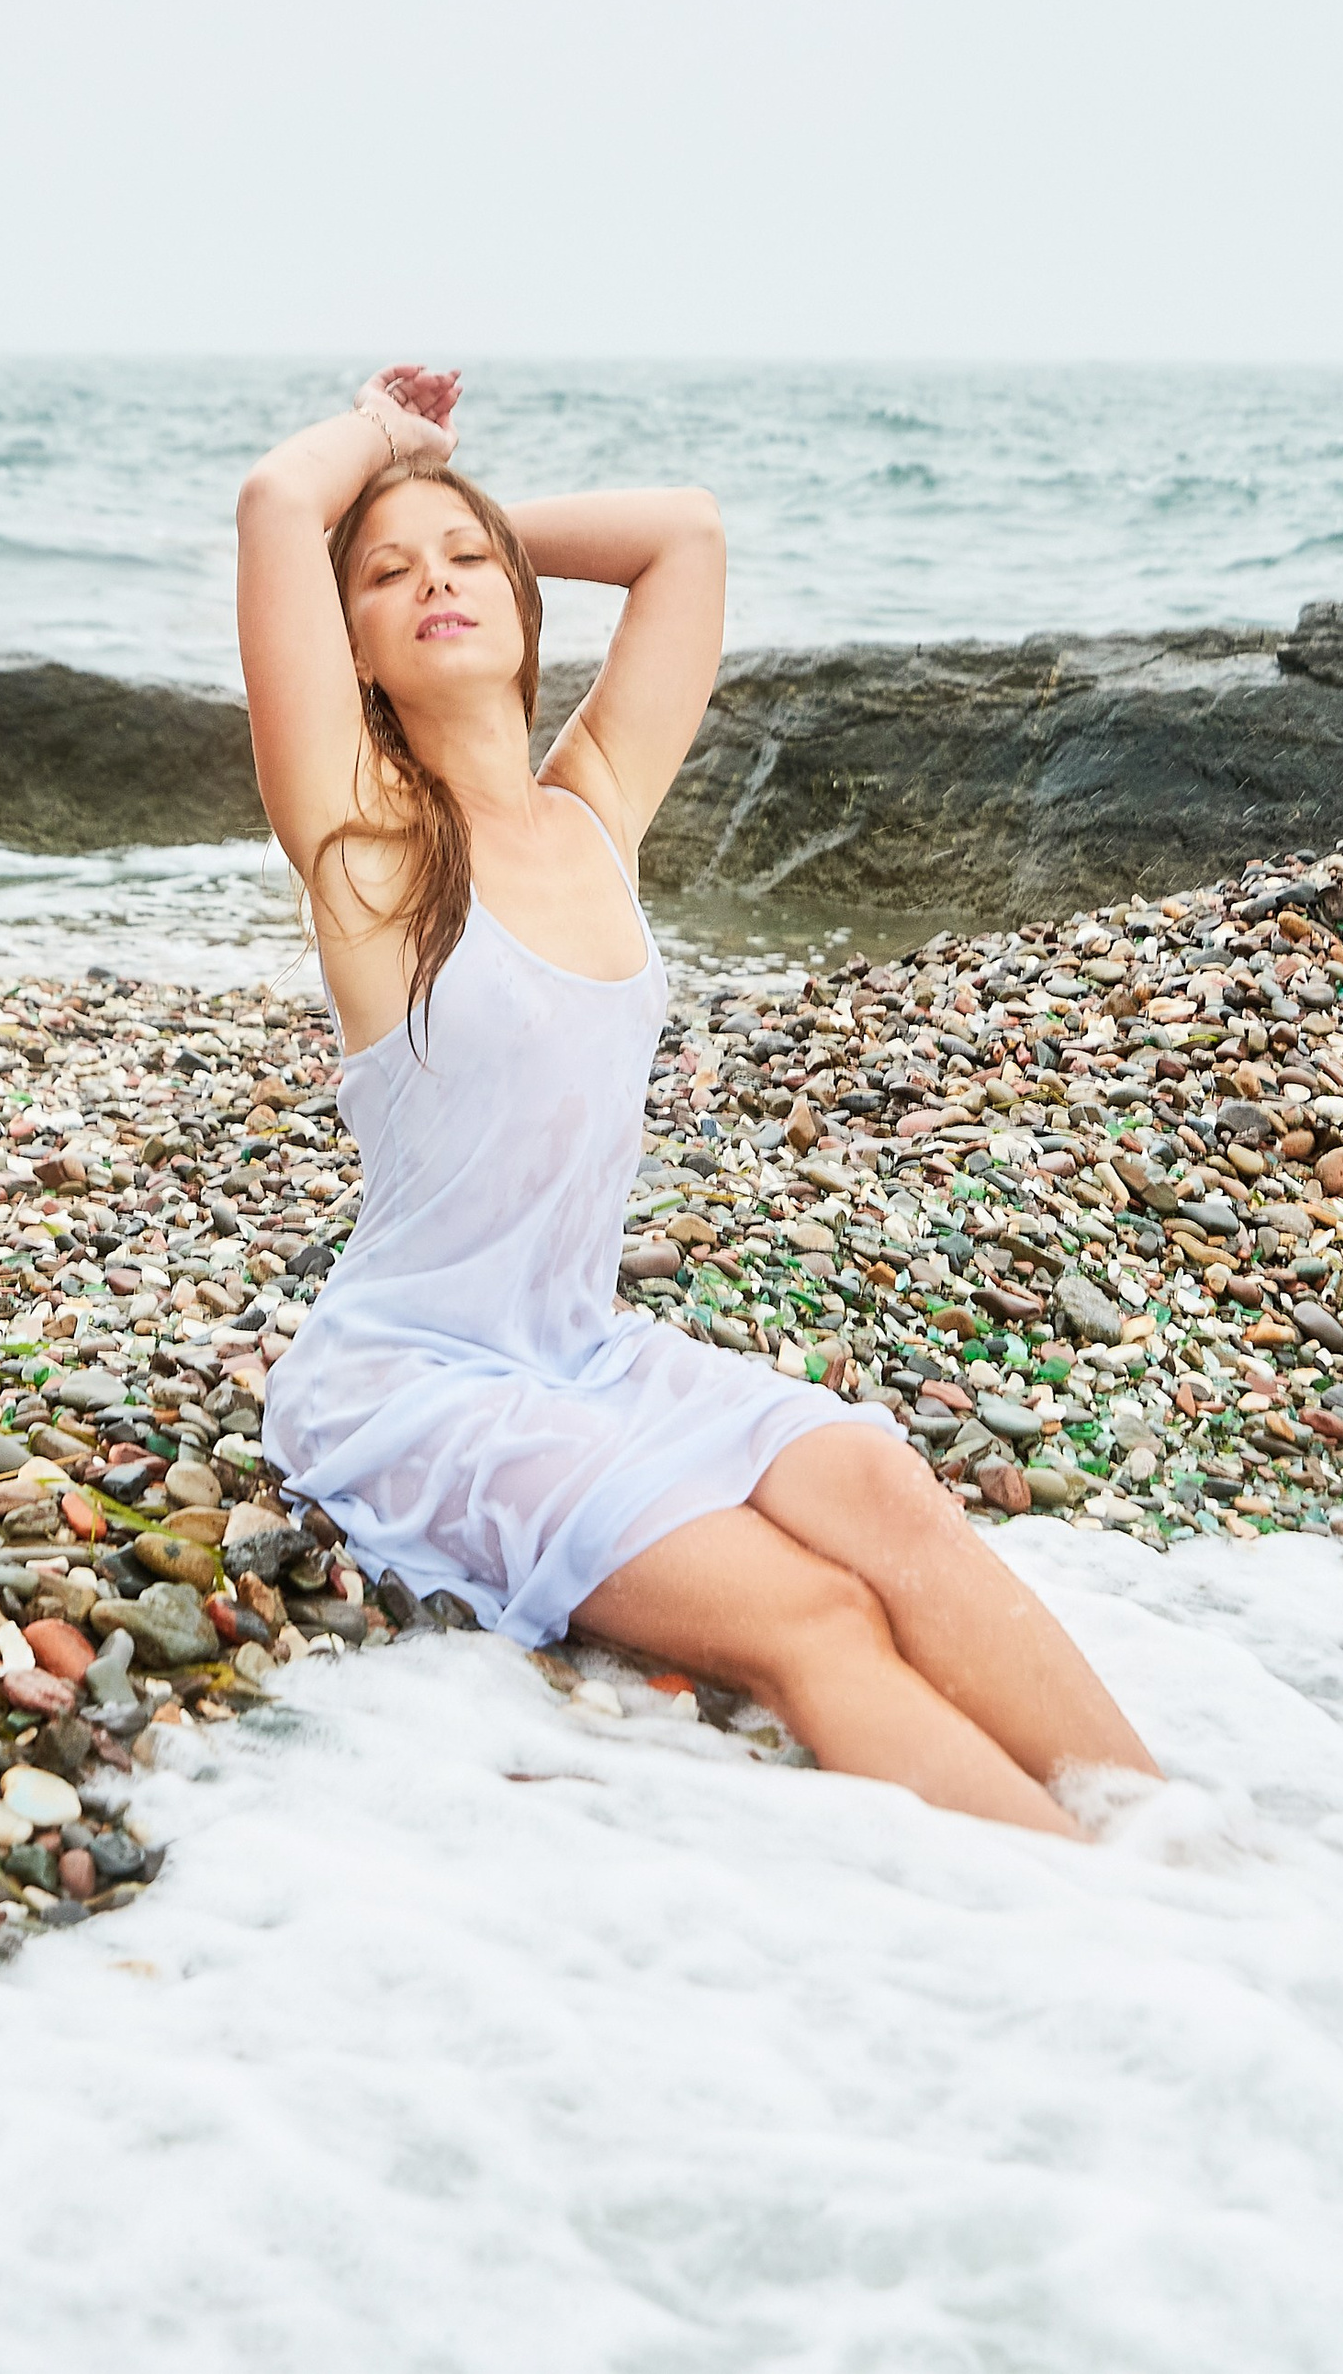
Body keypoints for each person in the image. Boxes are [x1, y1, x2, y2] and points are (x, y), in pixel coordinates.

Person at [236, 366, 1160, 1837]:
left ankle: (1175, 1838)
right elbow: (280, 504)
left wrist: (463, 516)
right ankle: (1120, 1921)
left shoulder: (594, 809)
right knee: (812, 1614)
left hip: (587, 1350)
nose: (440, 584)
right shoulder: (367, 847)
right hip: (412, 1380)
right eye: (390, 579)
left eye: (469, 564)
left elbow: (687, 537)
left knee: (889, 1497)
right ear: (348, 644)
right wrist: (390, 450)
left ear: (530, 602)